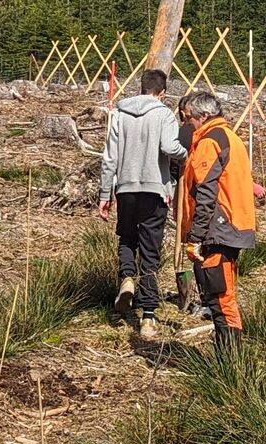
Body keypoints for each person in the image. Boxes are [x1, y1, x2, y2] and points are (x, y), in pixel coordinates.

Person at [99, 70, 188, 338]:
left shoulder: (119, 113)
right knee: (150, 251)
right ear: (163, 92)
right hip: (154, 190)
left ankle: (127, 278)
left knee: (127, 237)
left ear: (141, 88)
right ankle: (148, 315)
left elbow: (109, 158)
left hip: (125, 188)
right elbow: (170, 147)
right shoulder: (163, 113)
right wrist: (188, 155)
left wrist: (105, 194)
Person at [174, 92, 257, 355]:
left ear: (204, 117)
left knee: (221, 298)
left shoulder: (210, 142)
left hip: (218, 230)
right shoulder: (229, 136)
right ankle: (228, 360)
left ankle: (230, 365)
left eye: (188, 119)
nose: (186, 125)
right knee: (221, 297)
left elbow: (206, 193)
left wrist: (195, 236)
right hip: (231, 226)